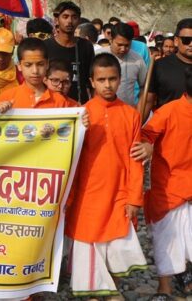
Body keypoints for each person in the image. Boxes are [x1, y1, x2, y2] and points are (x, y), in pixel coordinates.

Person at [65, 53, 146, 297]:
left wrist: (134, 198)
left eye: (112, 79)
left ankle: (112, 290)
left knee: (117, 244)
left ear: (120, 79)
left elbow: (135, 160)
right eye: (101, 80)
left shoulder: (131, 115)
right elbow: (69, 155)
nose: (107, 85)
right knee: (88, 242)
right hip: (87, 194)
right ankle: (94, 292)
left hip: (119, 191)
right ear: (92, 81)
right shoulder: (82, 114)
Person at [131, 68, 192, 298]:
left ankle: (186, 277)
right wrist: (147, 145)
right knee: (166, 238)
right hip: (170, 188)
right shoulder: (169, 111)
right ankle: (164, 288)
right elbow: (145, 135)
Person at [0, 38, 71, 111]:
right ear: (19, 66)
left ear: (47, 64)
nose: (35, 71)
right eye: (28, 65)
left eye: (40, 64)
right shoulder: (6, 98)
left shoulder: (60, 101)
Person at [45, 1, 94, 104]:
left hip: (79, 106)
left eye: (74, 17)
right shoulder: (46, 46)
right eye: (65, 17)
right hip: (51, 106)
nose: (70, 21)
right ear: (56, 20)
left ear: (79, 21)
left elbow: (91, 80)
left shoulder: (86, 46)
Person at [143, 18, 192, 121]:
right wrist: (137, 127)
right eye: (186, 40)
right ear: (176, 41)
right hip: (167, 127)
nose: (191, 44)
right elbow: (147, 101)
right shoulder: (159, 66)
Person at [98, 22, 147, 107]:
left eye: (127, 45)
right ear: (111, 40)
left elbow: (144, 87)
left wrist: (139, 109)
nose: (123, 49)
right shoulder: (98, 56)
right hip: (101, 111)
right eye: (119, 45)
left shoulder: (137, 60)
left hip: (127, 112)